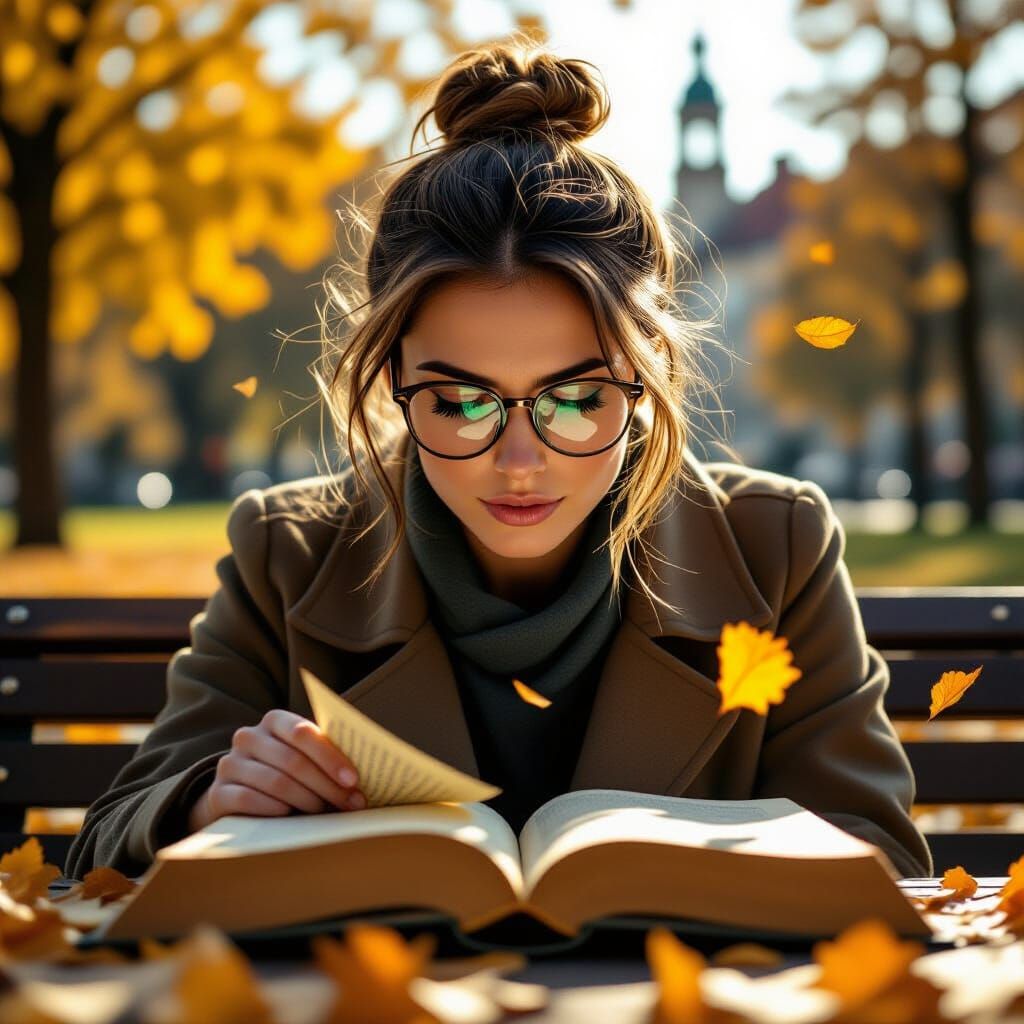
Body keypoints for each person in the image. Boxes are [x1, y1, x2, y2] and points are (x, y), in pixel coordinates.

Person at [64, 36, 932, 882]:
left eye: (576, 398)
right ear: (392, 377)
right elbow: (109, 833)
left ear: (647, 375)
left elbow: (881, 856)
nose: (520, 460)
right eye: (462, 402)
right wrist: (203, 807)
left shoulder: (775, 549)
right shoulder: (287, 552)